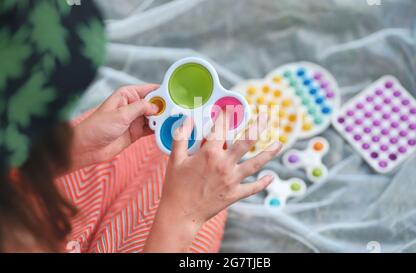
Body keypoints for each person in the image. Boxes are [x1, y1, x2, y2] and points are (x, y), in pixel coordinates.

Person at [0, 1, 281, 252]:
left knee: (161, 151)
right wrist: (183, 216)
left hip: (19, 196)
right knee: (198, 181)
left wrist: (73, 149)